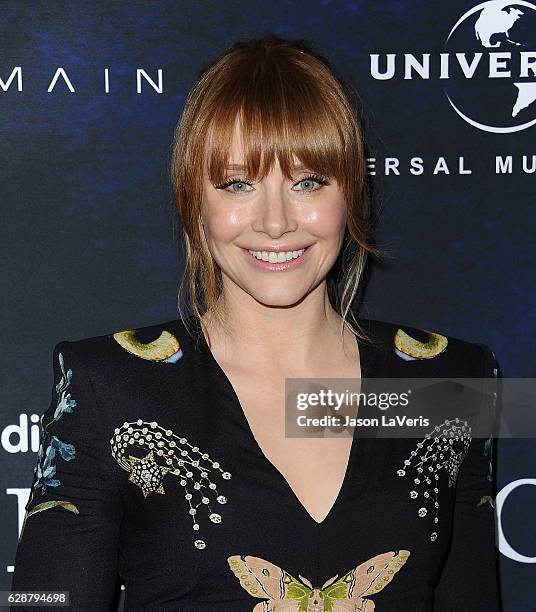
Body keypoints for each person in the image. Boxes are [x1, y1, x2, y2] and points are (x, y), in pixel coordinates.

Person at [11, 33, 502, 611]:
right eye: (238, 184)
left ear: (352, 194)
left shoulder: (451, 382)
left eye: (308, 182)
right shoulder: (108, 386)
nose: (275, 222)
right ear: (195, 202)